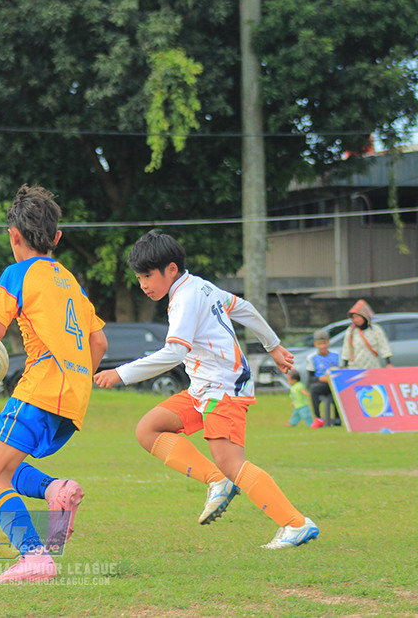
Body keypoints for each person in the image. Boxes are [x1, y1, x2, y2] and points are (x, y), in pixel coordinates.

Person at [93, 230, 319, 549]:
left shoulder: (185, 298)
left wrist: (120, 373)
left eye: (147, 275)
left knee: (231, 461)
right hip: (203, 387)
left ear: (171, 269)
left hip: (222, 390)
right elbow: (244, 308)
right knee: (149, 429)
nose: (142, 284)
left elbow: (174, 353)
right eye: (138, 276)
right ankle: (216, 479)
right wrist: (274, 345)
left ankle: (295, 524)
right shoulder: (201, 286)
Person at [0, 184, 108, 584]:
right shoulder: (71, 281)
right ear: (56, 238)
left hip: (40, 386)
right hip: (72, 395)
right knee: (2, 463)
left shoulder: (17, 274)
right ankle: (57, 489)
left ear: (13, 236)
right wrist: (77, 378)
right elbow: (99, 342)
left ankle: (35, 556)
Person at [341, 299, 393, 370]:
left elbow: (383, 346)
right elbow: (346, 348)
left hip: (372, 367)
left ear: (364, 316)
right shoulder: (351, 331)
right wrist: (345, 365)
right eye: (354, 318)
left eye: (358, 317)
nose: (356, 320)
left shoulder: (375, 329)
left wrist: (388, 363)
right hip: (355, 368)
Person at [305, 328, 341, 428]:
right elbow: (311, 378)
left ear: (328, 342)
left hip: (334, 382)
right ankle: (318, 418)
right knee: (314, 389)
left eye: (324, 343)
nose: (322, 346)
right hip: (321, 383)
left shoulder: (336, 355)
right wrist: (322, 379)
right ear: (315, 344)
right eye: (319, 344)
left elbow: (342, 371)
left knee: (339, 391)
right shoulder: (312, 357)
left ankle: (338, 418)